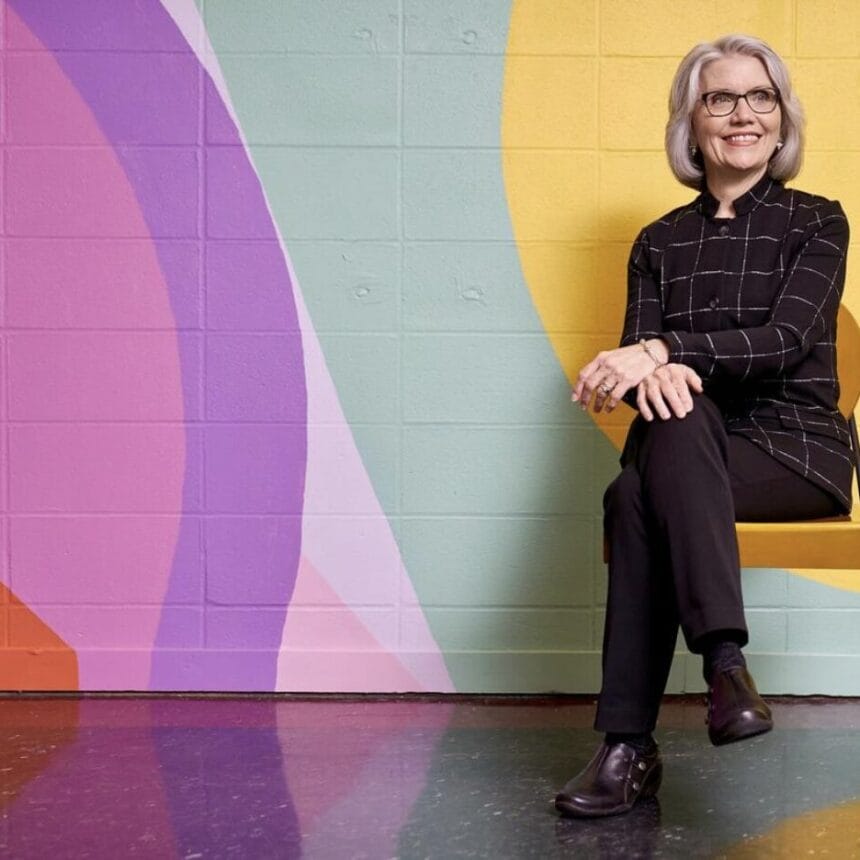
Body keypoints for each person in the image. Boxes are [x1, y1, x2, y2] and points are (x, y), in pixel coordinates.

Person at [555, 34, 852, 819]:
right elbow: (640, 376)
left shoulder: (817, 223)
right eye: (721, 98)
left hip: (794, 453)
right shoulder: (658, 242)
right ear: (692, 123)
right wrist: (651, 368)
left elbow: (787, 341)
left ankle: (629, 746)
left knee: (636, 488)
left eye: (762, 97)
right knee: (654, 458)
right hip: (690, 451)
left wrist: (664, 350)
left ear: (782, 119)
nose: (744, 115)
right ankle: (724, 671)